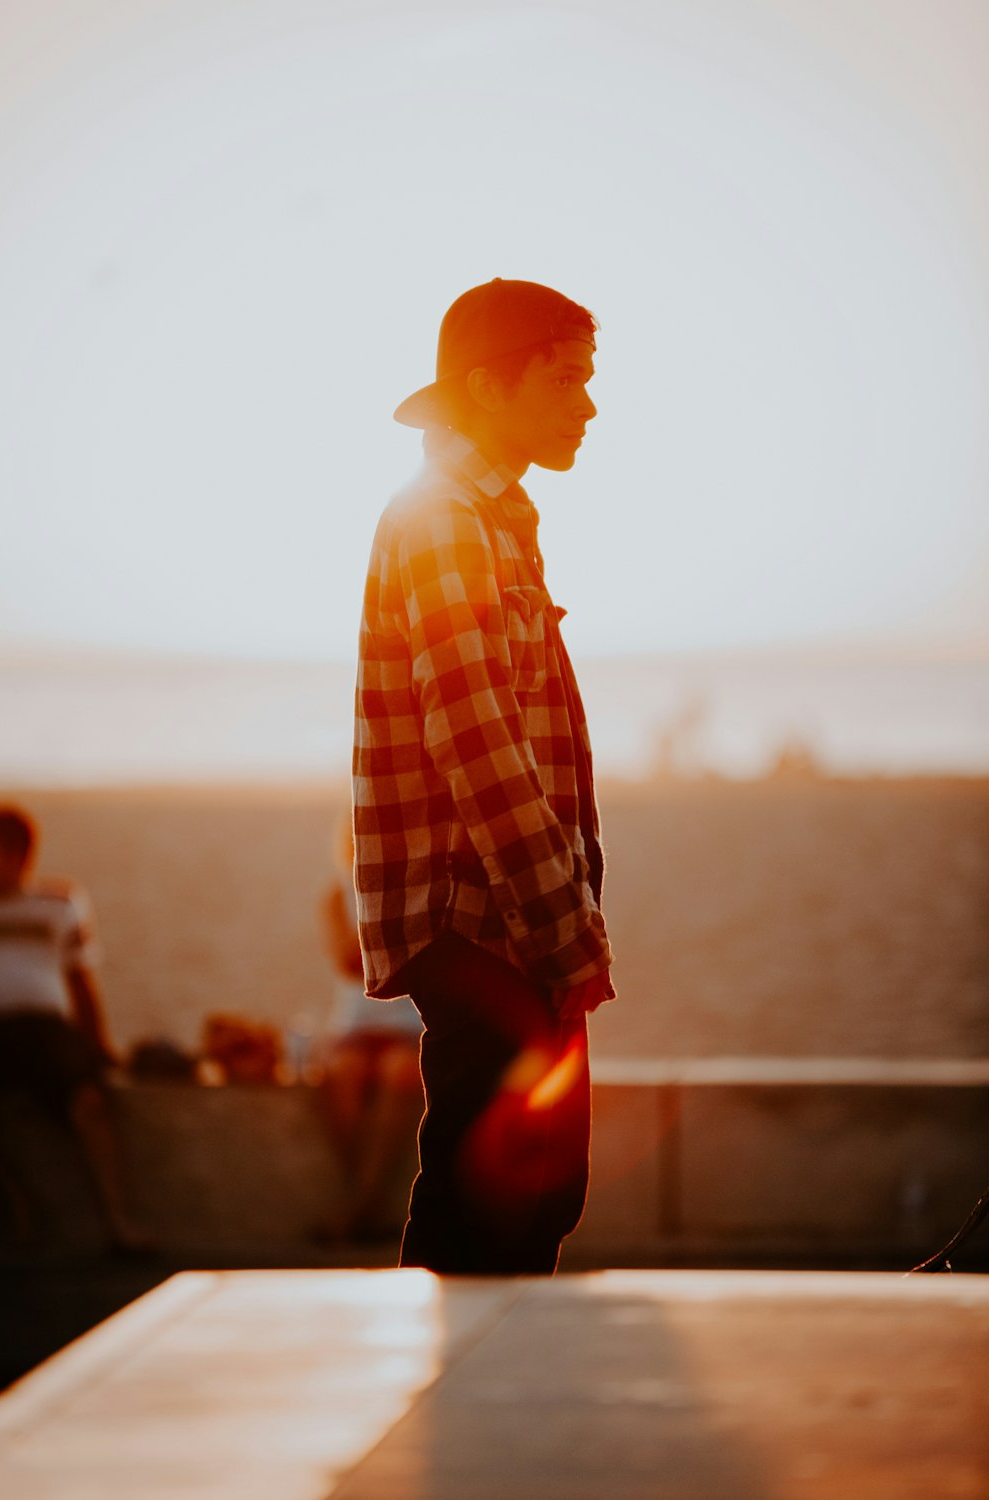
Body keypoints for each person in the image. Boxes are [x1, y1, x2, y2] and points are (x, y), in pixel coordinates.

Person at [353, 278, 615, 1274]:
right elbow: (479, 743)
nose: (585, 405)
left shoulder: (492, 516)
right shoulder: (445, 521)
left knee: (533, 1196)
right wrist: (564, 934)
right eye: (564, 379)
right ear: (488, 388)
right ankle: (454, 1417)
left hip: (504, 917)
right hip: (482, 921)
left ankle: (472, 1408)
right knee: (490, 1203)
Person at [0, 804, 149, 1252]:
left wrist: (98, 1042)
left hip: (43, 1029)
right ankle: (15, 1203)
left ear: (19, 856)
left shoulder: (58, 903)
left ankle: (118, 1222)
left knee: (90, 1103)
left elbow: (81, 979)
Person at [316, 809, 423, 1242]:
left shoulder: (417, 886)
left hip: (408, 1021)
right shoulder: (336, 895)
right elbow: (348, 962)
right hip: (358, 1022)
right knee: (342, 1075)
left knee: (399, 1073)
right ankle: (367, 1204)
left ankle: (359, 1210)